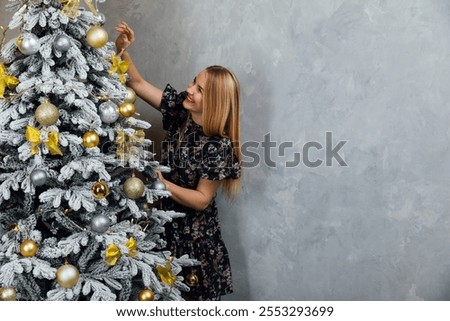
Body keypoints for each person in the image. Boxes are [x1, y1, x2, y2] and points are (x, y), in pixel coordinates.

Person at [115, 22, 241, 301]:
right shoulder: (179, 112)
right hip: (164, 227)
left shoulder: (217, 146)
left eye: (200, 89)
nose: (189, 89)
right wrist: (122, 49)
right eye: (193, 82)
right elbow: (136, 83)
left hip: (195, 241)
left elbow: (201, 199)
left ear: (216, 102)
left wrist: (162, 183)